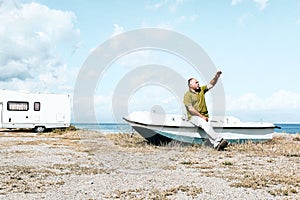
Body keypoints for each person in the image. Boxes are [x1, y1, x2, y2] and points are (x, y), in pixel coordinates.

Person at [183, 71, 228, 150]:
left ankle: (216, 145)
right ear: (190, 85)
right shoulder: (187, 95)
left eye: (198, 82)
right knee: (203, 122)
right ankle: (219, 139)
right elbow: (190, 109)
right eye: (196, 82)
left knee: (207, 127)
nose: (198, 84)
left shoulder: (201, 90)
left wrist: (216, 77)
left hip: (204, 117)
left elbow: (211, 84)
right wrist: (202, 116)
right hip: (193, 117)